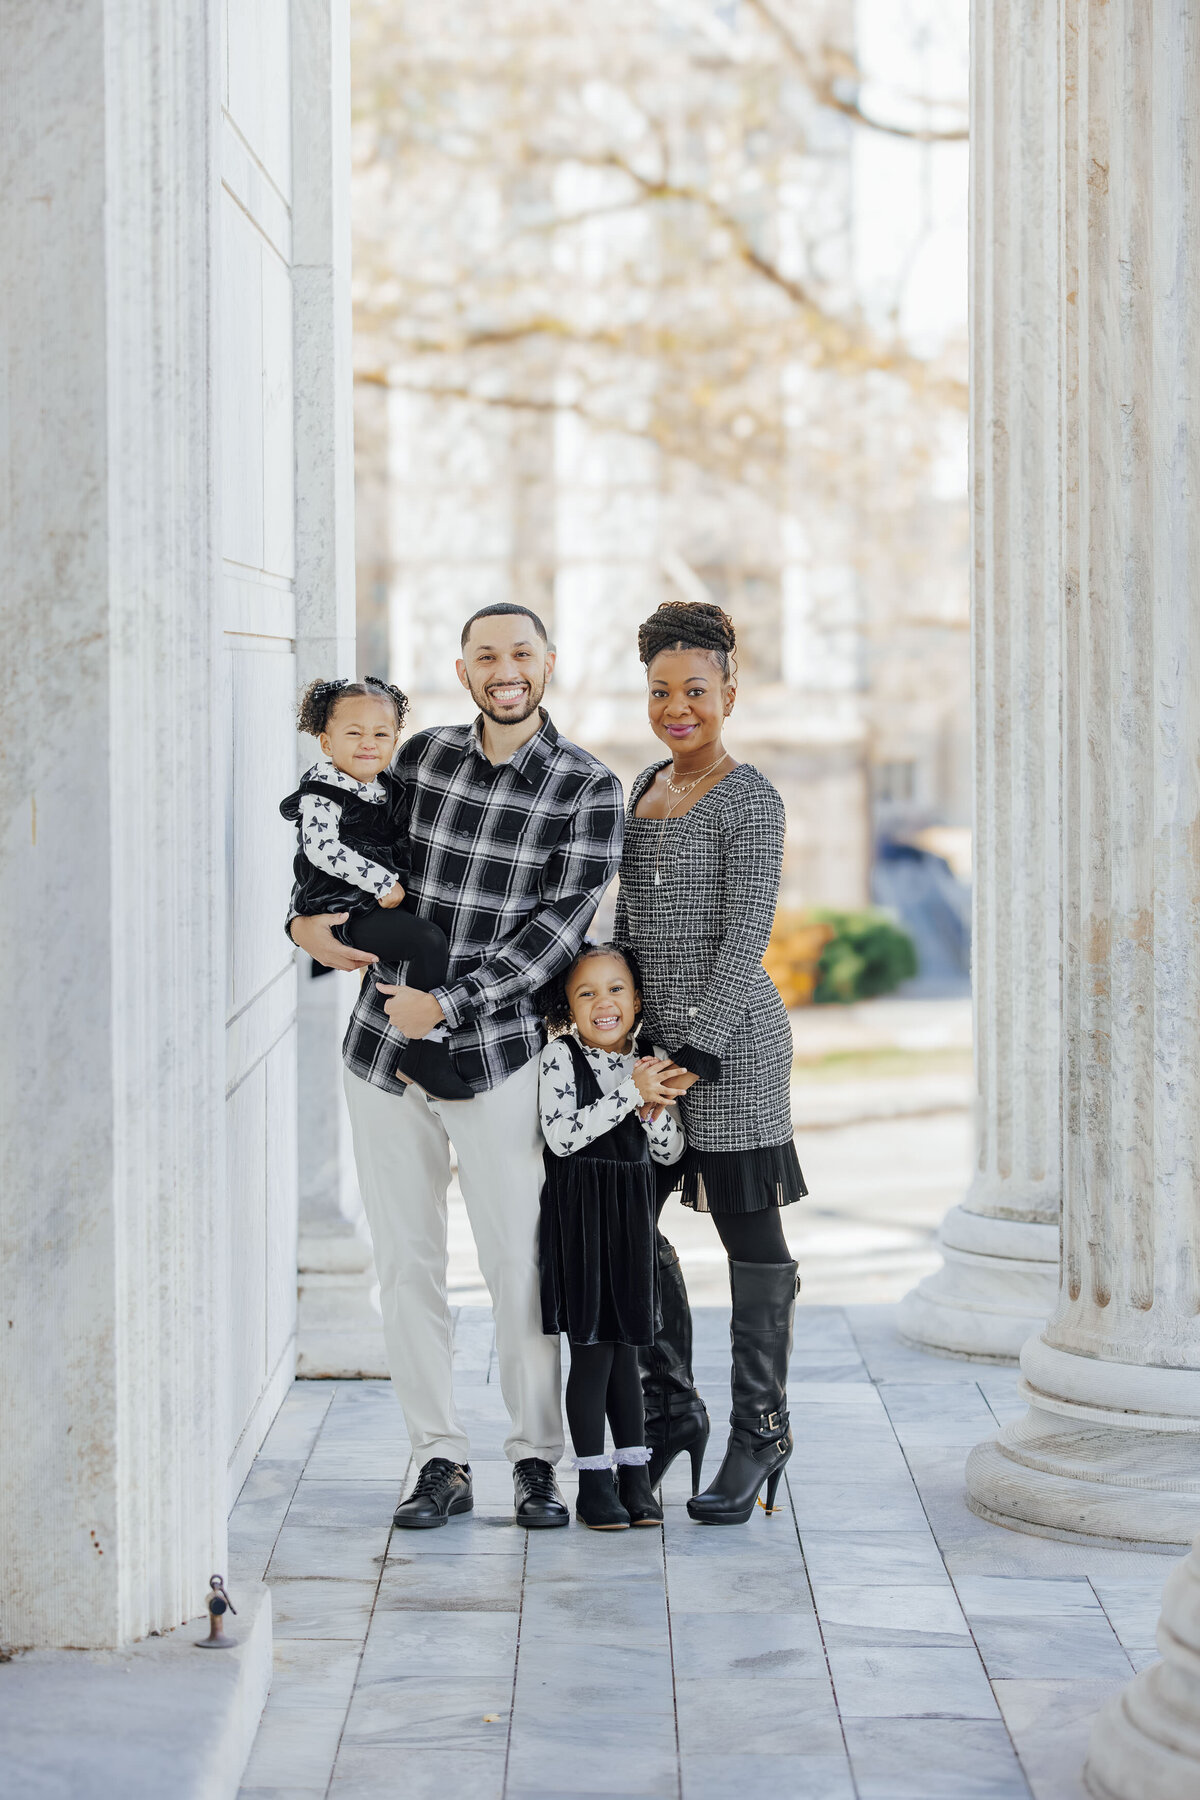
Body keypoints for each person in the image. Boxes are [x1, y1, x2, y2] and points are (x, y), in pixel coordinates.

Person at [288, 605, 624, 1531]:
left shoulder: (587, 788)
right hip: (379, 1048)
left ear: (549, 663)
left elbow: (558, 933)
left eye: (520, 653)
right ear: (464, 669)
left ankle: (534, 1460)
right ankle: (437, 1457)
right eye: (486, 656)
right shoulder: (419, 757)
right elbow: (348, 848)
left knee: (517, 1265)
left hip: (495, 1055)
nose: (504, 669)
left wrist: (450, 1002)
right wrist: (305, 924)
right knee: (407, 1267)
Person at [614, 598, 807, 1526]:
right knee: (626, 1227)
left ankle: (759, 1428)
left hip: (732, 1053)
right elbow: (628, 924)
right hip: (650, 1056)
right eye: (660, 690)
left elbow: (746, 938)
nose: (676, 706)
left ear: (731, 693)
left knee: (748, 1239)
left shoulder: (751, 798)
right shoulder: (642, 783)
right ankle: (672, 1408)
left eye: (695, 690)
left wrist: (699, 1044)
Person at [537, 942, 686, 1529]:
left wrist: (654, 1113)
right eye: (587, 992)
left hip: (630, 1227)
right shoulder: (560, 1057)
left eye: (616, 989)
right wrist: (630, 1094)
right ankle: (594, 1482)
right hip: (581, 1227)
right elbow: (562, 1138)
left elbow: (672, 1150)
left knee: (629, 1354)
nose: (604, 1002)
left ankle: (636, 1477)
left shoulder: (646, 1061)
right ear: (569, 1007)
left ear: (638, 998)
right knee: (592, 1355)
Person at [280, 676, 473, 1102]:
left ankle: (423, 1049)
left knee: (429, 940)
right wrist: (382, 882)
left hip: (369, 905)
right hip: (344, 908)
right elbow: (320, 848)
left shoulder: (384, 786)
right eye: (353, 733)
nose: (369, 743)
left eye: (381, 733)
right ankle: (424, 1051)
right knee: (428, 940)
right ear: (326, 743)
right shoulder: (322, 789)